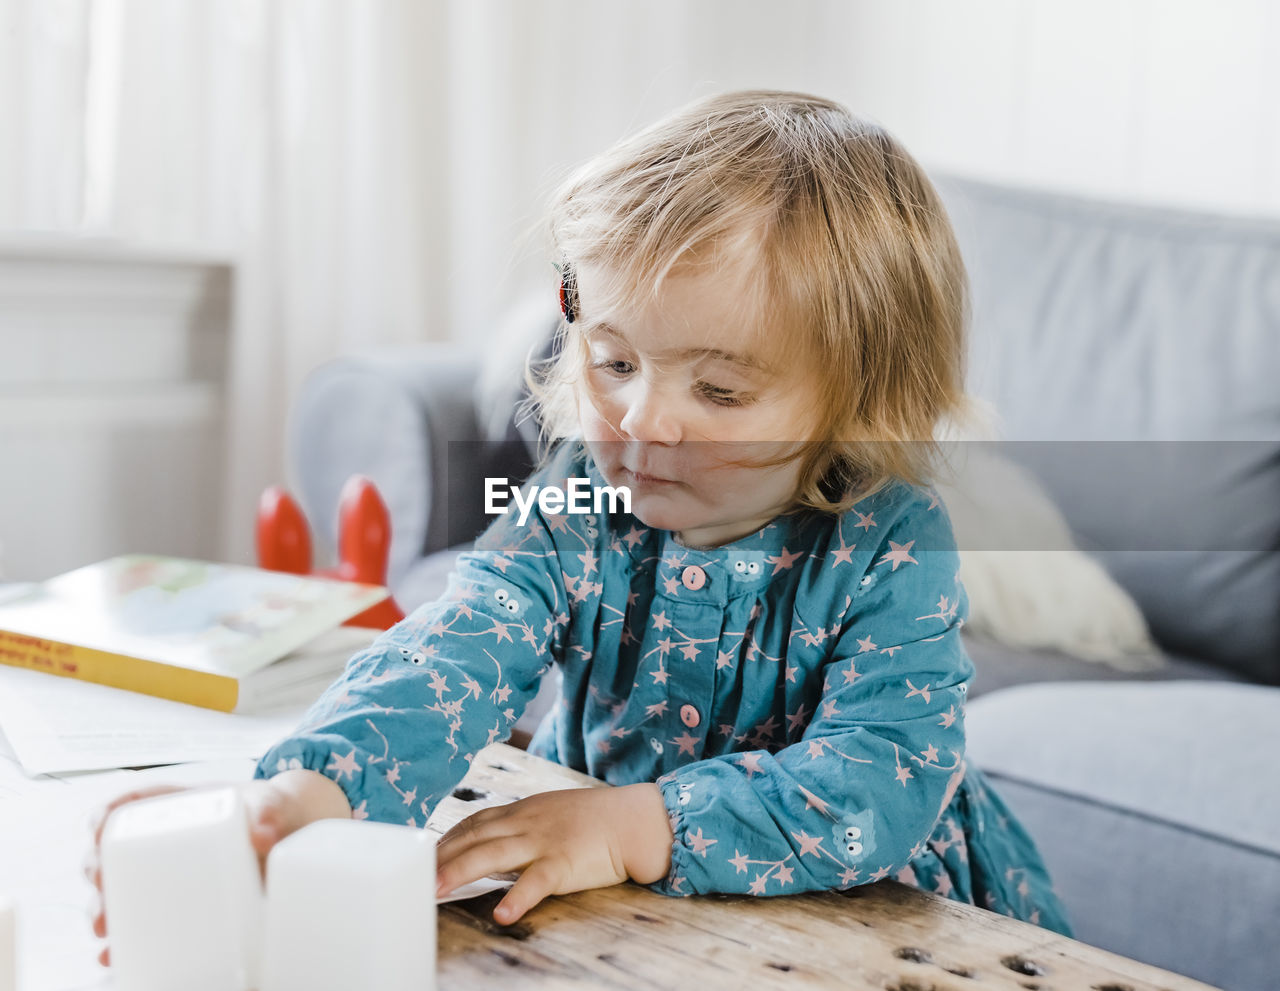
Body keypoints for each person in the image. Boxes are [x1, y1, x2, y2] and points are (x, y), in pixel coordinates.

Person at [87, 90, 1071, 954]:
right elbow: (451, 650)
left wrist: (630, 826)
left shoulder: (889, 540)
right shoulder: (580, 499)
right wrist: (305, 795)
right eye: (613, 361)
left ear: (858, 402)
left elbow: (878, 777)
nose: (639, 421)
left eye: (720, 389)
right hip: (611, 912)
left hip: (863, 915)